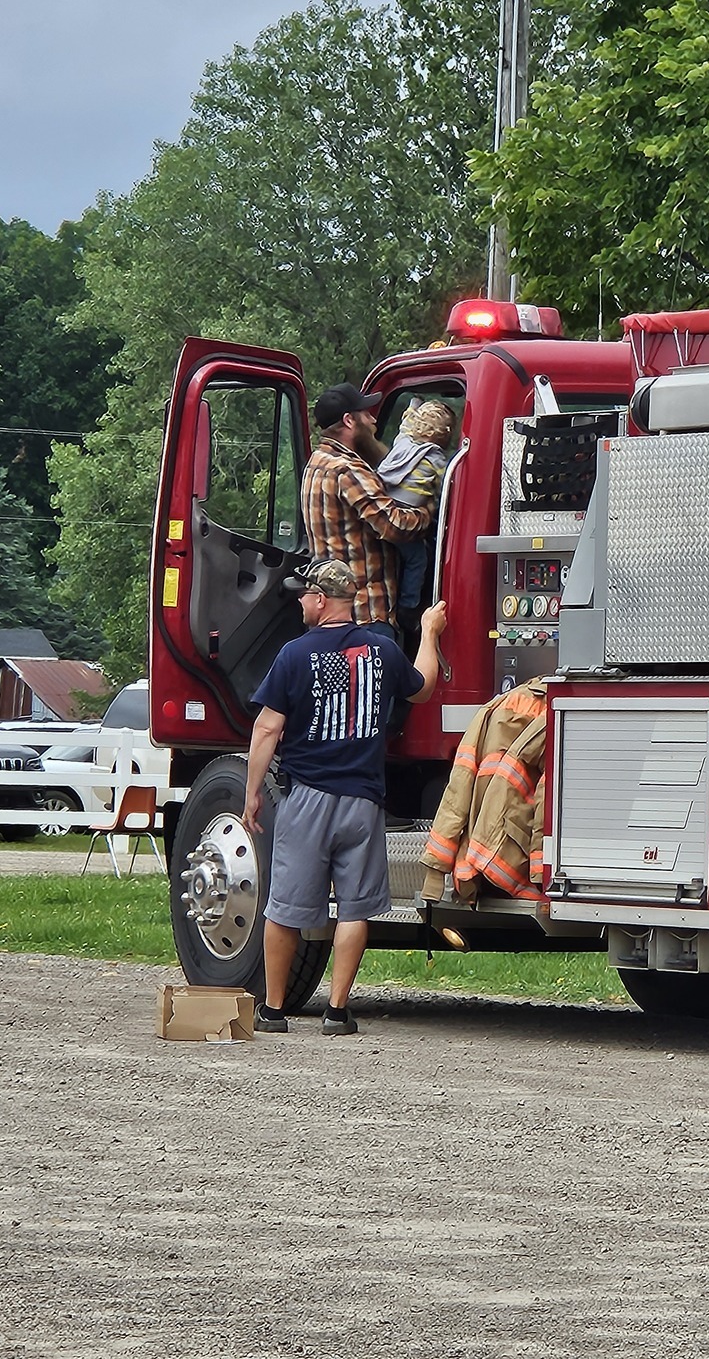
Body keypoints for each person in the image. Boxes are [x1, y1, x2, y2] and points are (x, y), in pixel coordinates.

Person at [240, 557, 448, 1035]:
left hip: (308, 798)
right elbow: (422, 689)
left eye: (303, 595)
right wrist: (430, 633)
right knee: (355, 907)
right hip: (363, 801)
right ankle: (337, 1011)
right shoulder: (382, 651)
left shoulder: (294, 655)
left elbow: (268, 728)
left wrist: (253, 793)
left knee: (285, 907)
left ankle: (273, 1011)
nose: (299, 602)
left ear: (319, 600)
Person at [301, 382, 433, 638]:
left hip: (329, 613)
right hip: (365, 615)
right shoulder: (348, 470)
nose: (373, 420)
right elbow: (394, 525)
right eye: (366, 414)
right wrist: (430, 512)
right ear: (349, 421)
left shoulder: (315, 464)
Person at [376, 399, 455, 638]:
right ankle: (409, 609)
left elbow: (404, 427)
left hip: (385, 511)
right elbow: (444, 493)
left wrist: (412, 406)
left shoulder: (402, 443)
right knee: (419, 558)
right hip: (408, 519)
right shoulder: (437, 459)